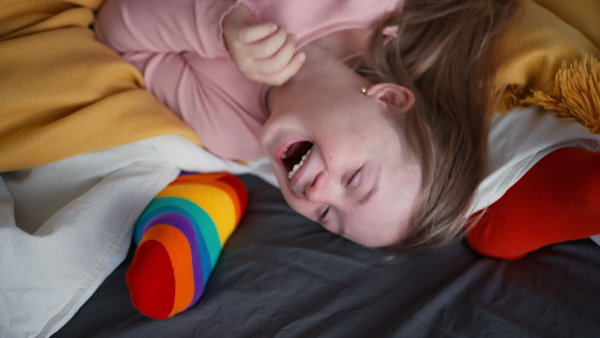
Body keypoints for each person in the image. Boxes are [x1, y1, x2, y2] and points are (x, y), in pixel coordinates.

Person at [95, 0, 600, 253]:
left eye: (324, 217)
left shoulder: (227, 125)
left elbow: (118, 29)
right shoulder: (377, 7)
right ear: (388, 99)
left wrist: (220, 24)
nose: (317, 193)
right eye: (355, 179)